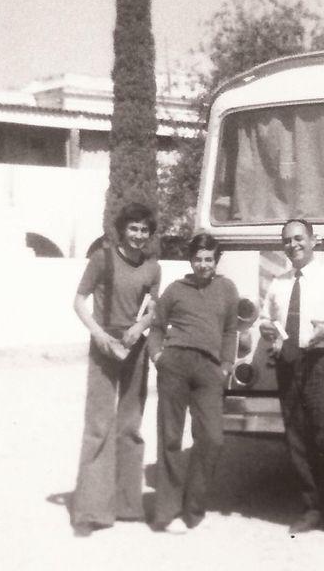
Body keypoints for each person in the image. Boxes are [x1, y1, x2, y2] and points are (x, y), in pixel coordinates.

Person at [258, 218, 324, 543]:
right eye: (287, 240)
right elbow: (265, 317)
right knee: (298, 441)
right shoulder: (278, 282)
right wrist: (265, 328)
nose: (294, 245)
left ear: (314, 240)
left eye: (299, 238)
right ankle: (313, 510)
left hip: (323, 364)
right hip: (289, 364)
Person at [70, 203, 161, 537]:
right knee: (98, 424)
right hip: (104, 346)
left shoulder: (153, 268)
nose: (138, 236)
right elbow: (78, 301)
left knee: (130, 425)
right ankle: (91, 511)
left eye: (144, 230)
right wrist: (98, 334)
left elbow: (153, 308)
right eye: (133, 228)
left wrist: (141, 328)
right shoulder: (102, 259)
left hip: (134, 349)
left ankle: (127, 504)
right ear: (123, 229)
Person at [148, 233, 239, 532]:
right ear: (191, 260)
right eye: (198, 259)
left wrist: (225, 366)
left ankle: (193, 507)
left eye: (208, 260)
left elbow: (230, 331)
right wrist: (157, 356)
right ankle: (167, 509)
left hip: (209, 370)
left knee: (212, 437)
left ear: (216, 261)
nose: (203, 265)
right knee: (170, 438)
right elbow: (157, 326)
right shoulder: (175, 289)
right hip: (174, 364)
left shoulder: (227, 289)